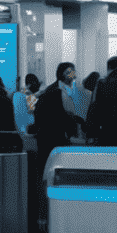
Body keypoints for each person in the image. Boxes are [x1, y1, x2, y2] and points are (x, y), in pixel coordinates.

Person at [33, 64, 84, 198]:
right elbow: (62, 115)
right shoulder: (53, 90)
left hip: (59, 136)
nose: (73, 74)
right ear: (62, 74)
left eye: (74, 71)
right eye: (70, 72)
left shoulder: (75, 89)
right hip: (53, 138)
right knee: (49, 174)